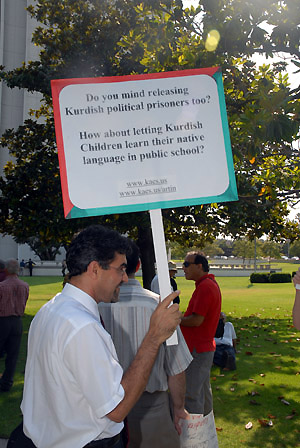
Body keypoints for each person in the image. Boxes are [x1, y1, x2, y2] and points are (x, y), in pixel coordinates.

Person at [16, 225, 182, 448]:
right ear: (95, 269)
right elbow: (116, 409)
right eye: (120, 269)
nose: (125, 279)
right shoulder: (82, 327)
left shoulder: (52, 309)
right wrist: (153, 337)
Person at [99, 240, 191, 448]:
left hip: (104, 409)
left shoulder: (94, 306)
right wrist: (179, 407)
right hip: (148, 408)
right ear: (138, 266)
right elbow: (176, 367)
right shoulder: (158, 306)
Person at [180, 252, 221, 416]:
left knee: (191, 395)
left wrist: (176, 319)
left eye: (187, 264)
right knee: (203, 392)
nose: (183, 267)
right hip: (203, 347)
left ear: (199, 266)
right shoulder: (207, 284)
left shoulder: (205, 287)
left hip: (198, 349)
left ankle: (195, 437)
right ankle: (206, 432)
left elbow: (197, 320)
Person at [0, 259, 29, 392]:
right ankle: (7, 382)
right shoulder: (24, 286)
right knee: (13, 354)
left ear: (6, 270)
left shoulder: (2, 286)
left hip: (3, 320)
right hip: (17, 321)